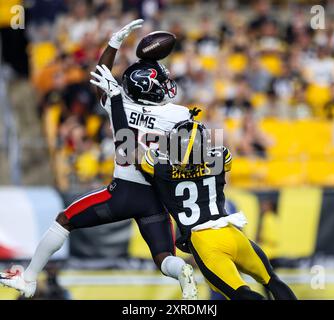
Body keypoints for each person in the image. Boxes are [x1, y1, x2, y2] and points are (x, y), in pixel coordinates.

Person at [0, 19, 197, 300]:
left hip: (123, 193)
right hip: (157, 198)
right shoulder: (179, 115)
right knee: (163, 256)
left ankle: (29, 278)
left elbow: (100, 80)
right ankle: (182, 273)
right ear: (153, 90)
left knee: (64, 220)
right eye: (162, 82)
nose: (167, 85)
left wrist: (113, 45)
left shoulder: (121, 105)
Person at [100, 75, 297, 300]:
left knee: (242, 295)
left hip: (204, 241)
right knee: (272, 280)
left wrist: (117, 102)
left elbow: (128, 147)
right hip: (231, 232)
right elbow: (210, 151)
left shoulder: (161, 168)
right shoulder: (219, 157)